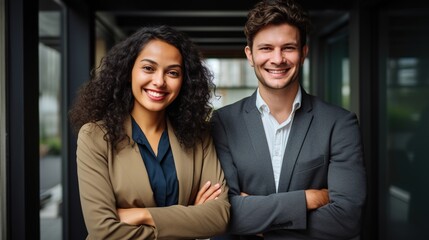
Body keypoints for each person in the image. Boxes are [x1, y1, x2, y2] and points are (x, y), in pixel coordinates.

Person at [211, 0, 366, 239]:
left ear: (303, 53)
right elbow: (221, 214)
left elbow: (347, 220)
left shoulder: (339, 124)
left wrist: (256, 219)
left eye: (288, 48)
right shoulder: (222, 122)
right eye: (266, 48)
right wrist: (307, 199)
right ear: (250, 55)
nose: (277, 59)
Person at [69, 25, 230, 239]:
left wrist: (142, 215)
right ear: (128, 72)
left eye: (172, 72)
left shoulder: (199, 135)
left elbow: (219, 216)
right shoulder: (95, 136)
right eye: (148, 68)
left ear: (184, 82)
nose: (159, 81)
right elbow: (103, 231)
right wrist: (189, 219)